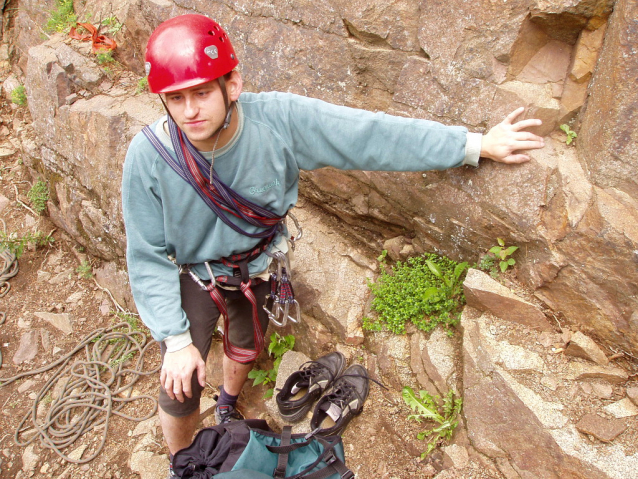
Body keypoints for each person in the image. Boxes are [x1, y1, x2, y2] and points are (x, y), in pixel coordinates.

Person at [121, 13, 544, 474]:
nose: (189, 111)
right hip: (197, 274)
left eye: (202, 91)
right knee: (178, 384)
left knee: (246, 340)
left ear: (233, 84)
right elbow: (147, 255)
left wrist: (473, 145)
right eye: (175, 98)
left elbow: (367, 134)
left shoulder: (279, 122)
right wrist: (177, 339)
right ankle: (183, 465)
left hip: (258, 263)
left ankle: (226, 404)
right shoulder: (149, 157)